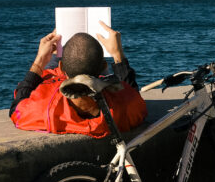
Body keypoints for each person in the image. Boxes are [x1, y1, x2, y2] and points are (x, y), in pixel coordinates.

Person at [9, 21, 147, 137]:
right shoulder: (125, 106)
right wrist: (118, 55)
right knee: (85, 59)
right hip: (100, 89)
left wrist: (39, 61)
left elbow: (16, 110)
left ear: (62, 68)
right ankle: (82, 62)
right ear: (104, 66)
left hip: (60, 86)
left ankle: (60, 54)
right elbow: (133, 96)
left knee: (59, 61)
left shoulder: (45, 108)